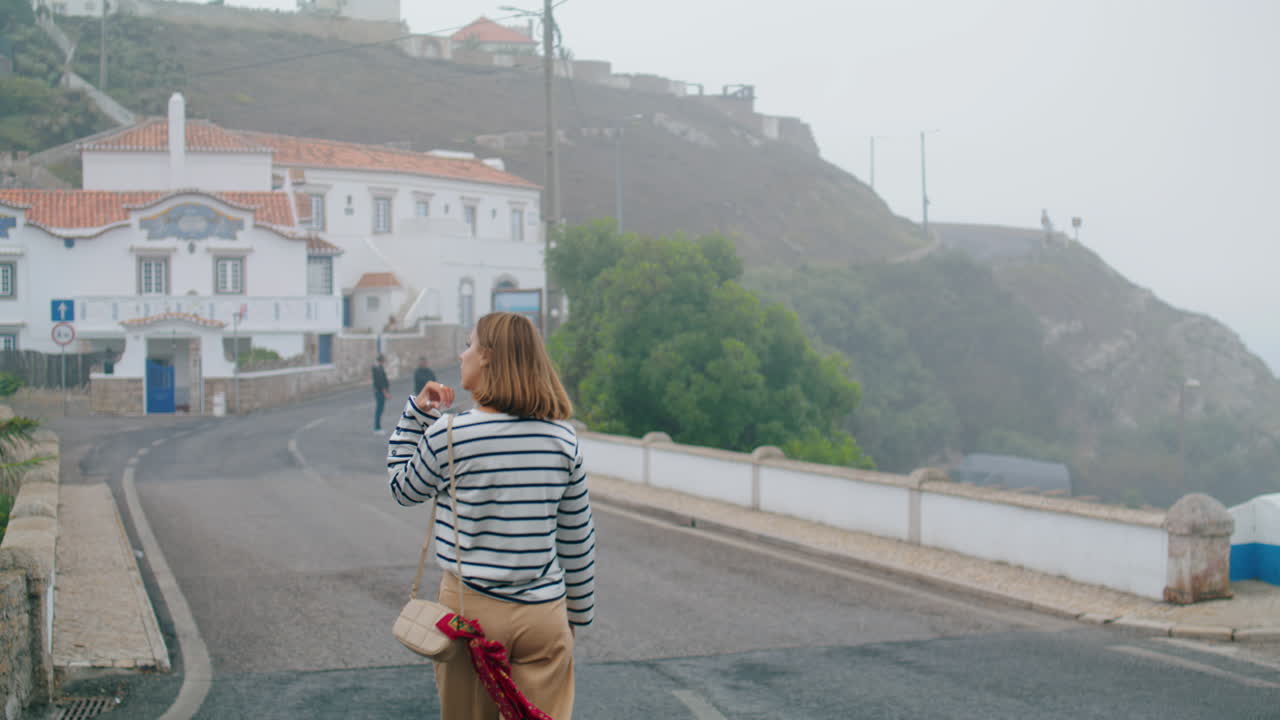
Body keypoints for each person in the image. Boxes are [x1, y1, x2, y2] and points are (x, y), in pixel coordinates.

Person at [387, 312, 594, 720]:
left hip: (470, 616)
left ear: (488, 358)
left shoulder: (450, 434)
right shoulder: (562, 438)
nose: (462, 354)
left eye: (469, 344)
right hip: (544, 613)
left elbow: (402, 488)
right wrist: (576, 616)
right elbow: (576, 539)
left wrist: (416, 416)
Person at [372, 354, 390, 434]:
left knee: (380, 410)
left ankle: (377, 427)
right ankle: (377, 428)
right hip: (380, 392)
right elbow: (381, 382)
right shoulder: (378, 369)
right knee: (379, 410)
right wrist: (385, 392)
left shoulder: (378, 368)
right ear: (382, 361)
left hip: (379, 392)